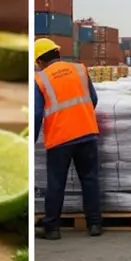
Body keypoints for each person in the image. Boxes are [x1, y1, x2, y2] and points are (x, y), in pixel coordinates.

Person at [33, 38, 102, 240]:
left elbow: (37, 113)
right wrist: (82, 117)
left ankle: (52, 228)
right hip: (87, 132)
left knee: (56, 184)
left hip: (60, 138)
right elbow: (94, 99)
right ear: (58, 53)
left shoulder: (41, 79)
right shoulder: (80, 69)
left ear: (39, 62)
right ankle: (95, 224)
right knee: (90, 179)